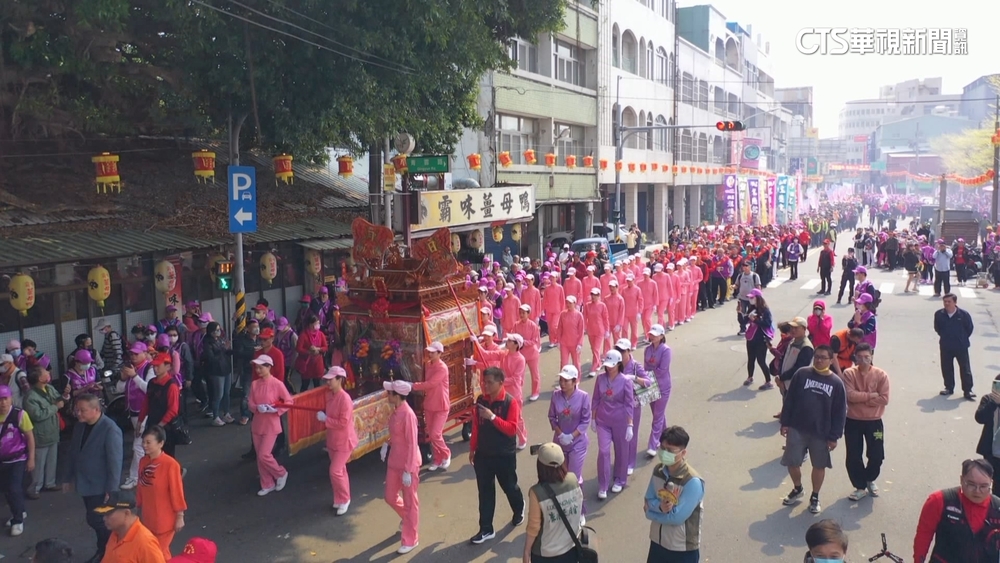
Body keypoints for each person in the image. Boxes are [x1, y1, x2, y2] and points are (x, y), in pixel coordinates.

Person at [779, 345, 847, 514]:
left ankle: (815, 496)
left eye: (823, 357)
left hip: (821, 433)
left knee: (819, 465)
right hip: (797, 428)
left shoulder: (836, 383)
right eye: (816, 356)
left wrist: (834, 436)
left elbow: (840, 412)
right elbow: (790, 400)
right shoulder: (802, 374)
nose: (818, 360)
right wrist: (785, 422)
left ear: (831, 361)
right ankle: (798, 488)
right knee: (792, 462)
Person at [63, 394, 123, 563]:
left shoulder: (110, 429)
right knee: (97, 520)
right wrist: (67, 477)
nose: (78, 414)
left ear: (96, 410)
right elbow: (73, 453)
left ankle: (108, 551)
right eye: (77, 410)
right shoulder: (80, 427)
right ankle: (105, 550)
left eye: (82, 410)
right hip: (85, 483)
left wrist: (112, 491)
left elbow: (115, 463)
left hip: (100, 486)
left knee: (98, 520)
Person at [469, 367, 525, 545]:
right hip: (483, 455)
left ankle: (518, 508)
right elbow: (476, 426)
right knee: (485, 492)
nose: (485, 385)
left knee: (509, 486)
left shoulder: (510, 402)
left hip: (504, 455)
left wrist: (492, 417)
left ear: (501, 383)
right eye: (484, 382)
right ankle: (486, 528)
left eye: (490, 382)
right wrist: (473, 449)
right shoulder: (481, 401)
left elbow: (511, 429)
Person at [913, 458, 1000, 562]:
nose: (977, 491)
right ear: (961, 480)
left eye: (983, 486)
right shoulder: (939, 501)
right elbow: (923, 535)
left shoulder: (998, 508)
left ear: (991, 483)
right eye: (971, 484)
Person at [643, 426, 704, 563]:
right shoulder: (658, 471)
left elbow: (676, 518)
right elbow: (648, 499)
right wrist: (659, 507)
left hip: (681, 550)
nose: (665, 453)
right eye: (663, 448)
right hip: (657, 543)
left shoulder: (692, 482)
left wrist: (650, 514)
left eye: (670, 450)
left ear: (683, 453)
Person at [840, 343, 889, 501]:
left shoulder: (881, 375)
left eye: (867, 357)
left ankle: (870, 479)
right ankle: (859, 486)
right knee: (853, 455)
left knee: (877, 455)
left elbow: (884, 399)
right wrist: (871, 396)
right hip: (853, 421)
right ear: (855, 358)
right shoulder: (849, 374)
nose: (863, 360)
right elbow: (850, 396)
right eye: (860, 357)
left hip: (874, 422)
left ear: (872, 356)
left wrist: (862, 399)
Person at [523, 442, 585, 563]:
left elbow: (533, 527)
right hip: (571, 548)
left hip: (545, 554)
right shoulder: (573, 480)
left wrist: (526, 552)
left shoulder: (537, 492)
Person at [547, 365, 590, 525]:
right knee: (560, 476)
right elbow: (552, 417)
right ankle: (564, 509)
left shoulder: (583, 397)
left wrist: (572, 435)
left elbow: (586, 420)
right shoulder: (556, 395)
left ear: (574, 381)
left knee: (574, 478)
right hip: (560, 441)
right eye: (561, 380)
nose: (563, 383)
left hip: (577, 442)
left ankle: (580, 510)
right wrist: (560, 434)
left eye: (566, 380)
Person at [381, 379, 420, 554]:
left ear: (397, 396)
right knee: (390, 496)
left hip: (407, 464)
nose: (387, 395)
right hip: (394, 461)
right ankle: (408, 519)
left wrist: (409, 470)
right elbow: (397, 435)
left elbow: (412, 443)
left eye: (390, 393)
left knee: (410, 502)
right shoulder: (396, 411)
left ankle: (411, 538)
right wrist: (387, 444)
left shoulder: (408, 415)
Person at [136, 425, 187, 559]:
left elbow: (177, 491)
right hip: (148, 517)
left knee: (156, 552)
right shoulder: (143, 461)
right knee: (159, 553)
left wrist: (180, 516)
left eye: (148, 442)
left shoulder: (171, 465)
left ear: (161, 443)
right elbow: (140, 487)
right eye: (143, 442)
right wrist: (138, 507)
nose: (144, 445)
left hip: (165, 519)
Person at [246, 355, 292, 496]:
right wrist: (256, 407)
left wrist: (276, 410)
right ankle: (267, 483)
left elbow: (289, 401)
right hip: (257, 424)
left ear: (269, 367)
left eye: (261, 367)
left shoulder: (277, 384)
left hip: (271, 424)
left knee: (264, 454)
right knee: (260, 456)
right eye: (257, 367)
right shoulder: (254, 384)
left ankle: (280, 473)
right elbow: (250, 403)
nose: (258, 370)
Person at [592, 350, 635, 499]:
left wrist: (630, 424)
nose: (609, 367)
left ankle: (620, 479)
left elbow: (629, 404)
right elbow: (596, 399)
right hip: (603, 421)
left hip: (620, 421)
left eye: (612, 365)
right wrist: (593, 418)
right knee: (603, 451)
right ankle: (603, 484)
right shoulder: (600, 379)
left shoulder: (625, 381)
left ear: (618, 364)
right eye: (607, 365)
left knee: (621, 450)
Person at [317, 367, 357, 515]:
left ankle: (345, 499)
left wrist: (325, 419)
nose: (328, 382)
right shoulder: (330, 395)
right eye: (327, 379)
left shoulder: (345, 399)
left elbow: (343, 422)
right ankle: (340, 498)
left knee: (335, 471)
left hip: (344, 441)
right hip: (333, 439)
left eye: (331, 379)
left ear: (339, 380)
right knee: (340, 471)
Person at [23, 366, 65, 500]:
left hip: (52, 431)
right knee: (39, 463)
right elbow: (37, 415)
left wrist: (65, 395)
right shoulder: (30, 397)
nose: (48, 373)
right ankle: (34, 487)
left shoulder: (49, 388)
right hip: (40, 435)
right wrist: (55, 407)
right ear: (40, 378)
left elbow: (58, 398)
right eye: (45, 372)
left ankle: (49, 483)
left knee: (52, 459)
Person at [94, 489, 166, 563]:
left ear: (127, 513)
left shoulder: (146, 544)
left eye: (109, 514)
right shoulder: (116, 532)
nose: (104, 518)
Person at [0, 384, 34, 536]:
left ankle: (18, 520)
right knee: (7, 490)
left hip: (18, 459)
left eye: (5, 399)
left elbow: (29, 437)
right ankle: (18, 511)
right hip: (2, 461)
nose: (3, 403)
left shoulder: (19, 415)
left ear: (11, 398)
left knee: (14, 488)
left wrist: (31, 458)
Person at [412, 341, 451, 470]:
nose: (430, 354)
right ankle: (437, 459)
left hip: (441, 404)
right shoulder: (428, 365)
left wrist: (413, 386)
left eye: (433, 352)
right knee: (431, 433)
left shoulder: (442, 368)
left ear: (439, 353)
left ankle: (446, 453)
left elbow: (431, 383)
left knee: (435, 434)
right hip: (429, 404)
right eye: (429, 352)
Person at [137, 353, 181, 459]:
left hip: (166, 428)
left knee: (167, 457)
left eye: (158, 366)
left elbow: (173, 410)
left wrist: (159, 426)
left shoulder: (172, 386)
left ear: (168, 366)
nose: (155, 369)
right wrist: (140, 421)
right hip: (153, 424)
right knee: (150, 455)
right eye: (154, 366)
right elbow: (146, 404)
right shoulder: (152, 383)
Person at [934, 293, 976, 400]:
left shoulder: (963, 315)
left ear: (955, 302)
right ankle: (949, 387)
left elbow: (969, 328)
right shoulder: (939, 314)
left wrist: (961, 338)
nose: (947, 304)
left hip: (961, 346)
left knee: (965, 368)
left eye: (949, 302)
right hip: (946, 345)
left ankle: (967, 390)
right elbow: (937, 328)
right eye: (945, 302)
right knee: (946, 367)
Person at [644, 324, 672, 457]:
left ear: (661, 336)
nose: (652, 336)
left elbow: (662, 370)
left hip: (662, 386)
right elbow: (645, 368)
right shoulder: (647, 350)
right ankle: (667, 438)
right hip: (651, 386)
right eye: (651, 334)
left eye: (655, 335)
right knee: (658, 414)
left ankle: (653, 444)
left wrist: (648, 374)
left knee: (657, 416)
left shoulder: (666, 350)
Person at [743, 289, 774, 389]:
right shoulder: (751, 308)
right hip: (751, 338)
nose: (750, 299)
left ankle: (768, 381)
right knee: (750, 359)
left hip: (761, 339)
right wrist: (740, 313)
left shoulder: (765, 310)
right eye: (749, 298)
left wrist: (756, 320)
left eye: (752, 298)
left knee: (761, 360)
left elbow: (767, 323)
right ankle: (750, 377)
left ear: (758, 298)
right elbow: (744, 321)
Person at [294, 315, 328, 391]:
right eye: (316, 323)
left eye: (318, 323)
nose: (317, 325)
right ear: (310, 324)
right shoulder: (303, 335)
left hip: (317, 363)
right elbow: (298, 348)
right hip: (307, 363)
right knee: (305, 385)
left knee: (318, 385)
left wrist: (318, 349)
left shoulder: (321, 334)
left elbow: (325, 347)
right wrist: (308, 352)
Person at [734, 261, 762, 336]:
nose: (745, 267)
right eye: (743, 266)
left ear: (750, 267)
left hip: (752, 299)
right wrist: (734, 287)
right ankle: (742, 328)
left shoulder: (755, 276)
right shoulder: (740, 275)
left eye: (747, 266)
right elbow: (737, 284)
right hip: (742, 298)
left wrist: (759, 298)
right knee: (741, 314)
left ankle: (752, 328)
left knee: (751, 315)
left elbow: (758, 287)